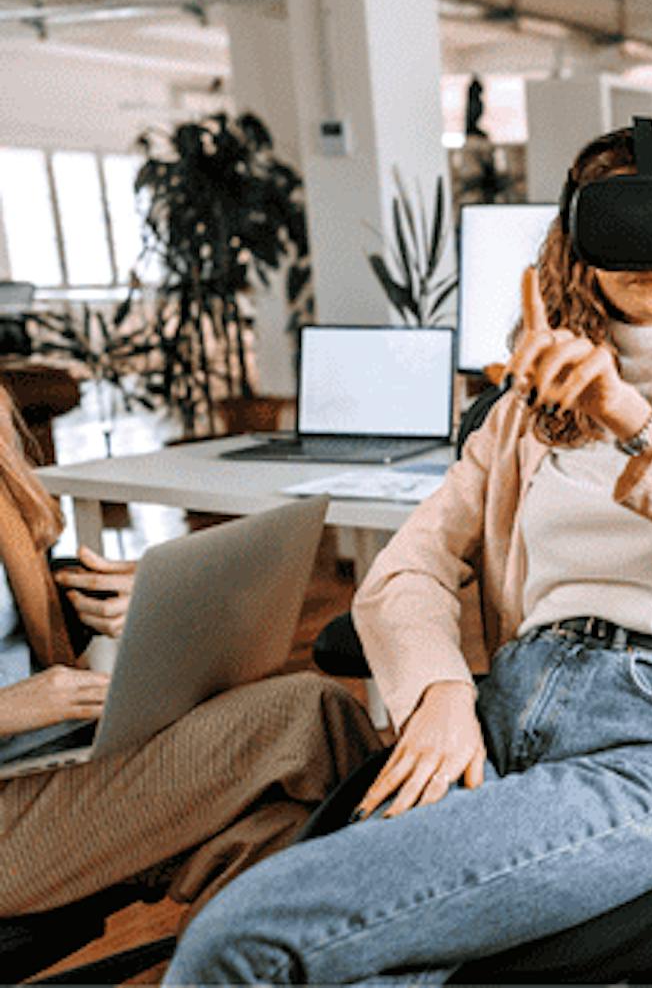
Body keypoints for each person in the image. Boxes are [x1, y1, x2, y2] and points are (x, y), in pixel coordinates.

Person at [167, 127, 652, 984]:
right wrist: (439, 691)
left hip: (650, 735)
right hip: (496, 715)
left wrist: (632, 418)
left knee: (242, 939)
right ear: (575, 245)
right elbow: (404, 570)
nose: (649, 249)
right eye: (619, 224)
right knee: (357, 968)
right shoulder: (521, 415)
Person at [0, 390, 378, 929]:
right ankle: (435, 897)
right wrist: (13, 707)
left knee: (282, 831)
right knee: (306, 709)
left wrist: (137, 599)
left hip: (54, 757)